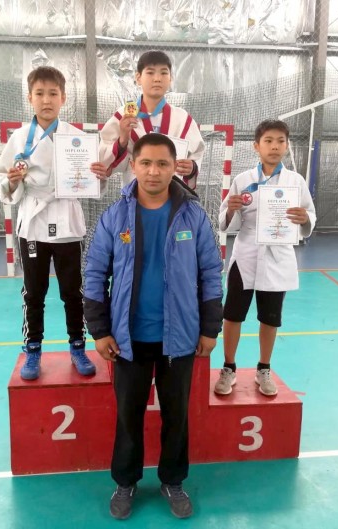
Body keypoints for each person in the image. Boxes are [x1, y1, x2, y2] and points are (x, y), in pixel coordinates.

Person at [83, 134, 223, 520]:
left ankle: (173, 480)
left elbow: (211, 273)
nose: (153, 171)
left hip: (180, 338)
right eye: (146, 163)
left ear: (174, 167)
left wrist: (210, 327)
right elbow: (94, 274)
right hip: (128, 340)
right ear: (133, 166)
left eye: (162, 163)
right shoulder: (114, 217)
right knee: (128, 415)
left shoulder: (194, 216)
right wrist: (100, 330)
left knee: (176, 415)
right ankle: (125, 481)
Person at [0, 65, 103, 380]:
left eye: (53, 93)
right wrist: (12, 181)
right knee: (34, 292)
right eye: (39, 93)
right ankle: (32, 350)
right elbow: (4, 181)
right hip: (34, 223)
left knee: (73, 291)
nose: (46, 100)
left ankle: (78, 346)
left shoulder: (77, 138)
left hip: (67, 223)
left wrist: (99, 175)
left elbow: (93, 181)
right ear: (30, 97)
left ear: (63, 98)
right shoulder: (19, 138)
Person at [214, 119, 316, 397]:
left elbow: (309, 215)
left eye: (280, 141)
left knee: (270, 318)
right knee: (232, 315)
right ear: (256, 146)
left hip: (277, 256)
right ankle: (229, 367)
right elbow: (225, 222)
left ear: (287, 145)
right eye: (268, 141)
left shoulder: (295, 181)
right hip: (245, 256)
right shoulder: (243, 180)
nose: (274, 146)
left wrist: (305, 218)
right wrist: (232, 210)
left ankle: (264, 368)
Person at [90, 50, 205, 190]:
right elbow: (104, 165)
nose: (157, 79)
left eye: (164, 73)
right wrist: (123, 139)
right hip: (135, 195)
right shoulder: (123, 117)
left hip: (173, 195)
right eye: (150, 73)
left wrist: (192, 167)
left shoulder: (182, 119)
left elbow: (197, 153)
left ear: (171, 78)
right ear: (138, 78)